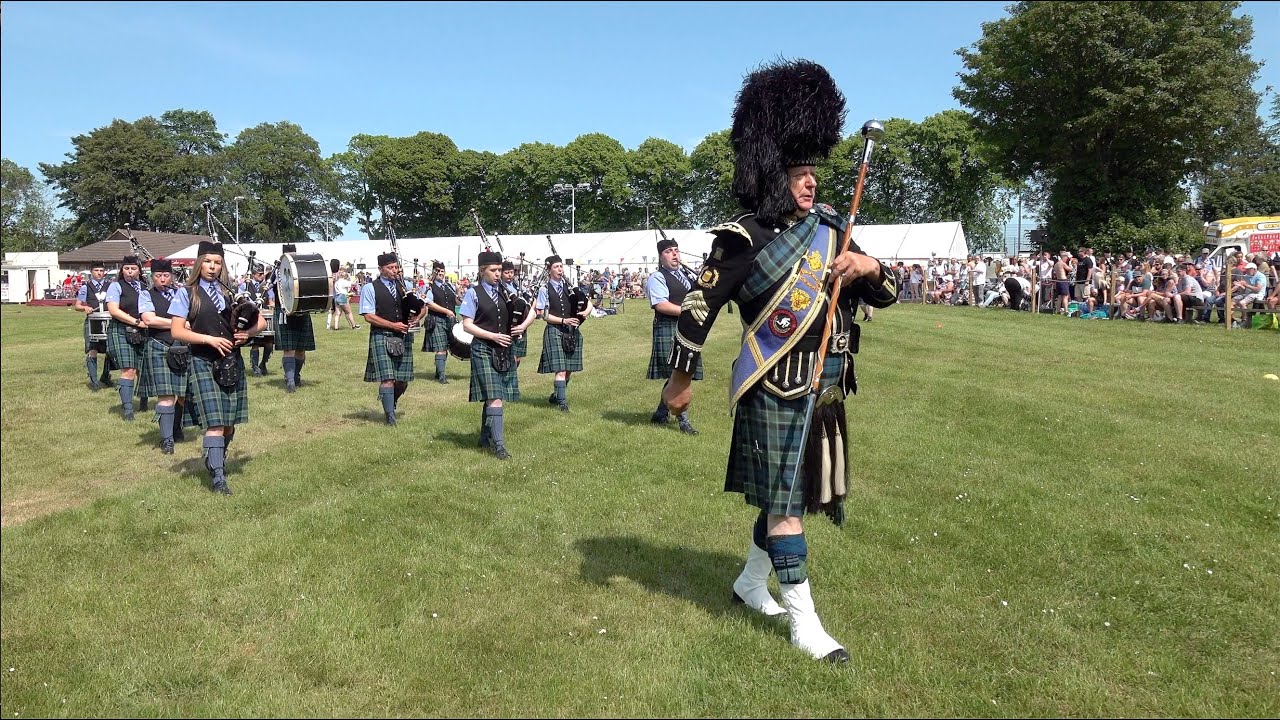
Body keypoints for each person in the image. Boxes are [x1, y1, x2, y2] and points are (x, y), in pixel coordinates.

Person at [663, 59, 898, 663]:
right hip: (774, 385)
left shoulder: (833, 229)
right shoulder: (742, 238)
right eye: (799, 173)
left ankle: (750, 583)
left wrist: (867, 266)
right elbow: (698, 307)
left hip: (826, 388)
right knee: (788, 506)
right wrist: (680, 380)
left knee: (786, 498)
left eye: (813, 171)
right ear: (772, 174)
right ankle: (804, 625)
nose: (810, 182)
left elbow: (887, 293)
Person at [168, 241, 267, 494]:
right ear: (199, 264)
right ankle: (218, 478)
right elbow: (177, 331)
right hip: (202, 360)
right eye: (208, 262)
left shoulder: (233, 293)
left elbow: (262, 322)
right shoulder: (187, 293)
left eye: (217, 263)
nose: (212, 267)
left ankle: (216, 459)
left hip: (232, 361)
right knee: (215, 423)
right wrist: (208, 339)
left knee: (229, 423)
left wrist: (248, 334)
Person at [461, 251, 520, 460]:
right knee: (495, 397)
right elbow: (467, 325)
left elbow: (529, 311)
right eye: (493, 270)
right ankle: (499, 446)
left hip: (503, 349)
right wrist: (492, 336)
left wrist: (521, 326)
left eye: (499, 270)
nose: (497, 274)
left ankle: (485, 438)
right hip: (483, 348)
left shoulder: (507, 292)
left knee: (494, 396)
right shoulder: (473, 293)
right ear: (481, 271)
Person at [645, 236, 701, 435]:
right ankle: (683, 421)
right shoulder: (657, 277)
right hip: (668, 327)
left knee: (680, 373)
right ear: (661, 257)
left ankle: (661, 413)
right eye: (669, 252)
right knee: (678, 374)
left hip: (687, 329)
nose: (674, 254)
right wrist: (690, 312)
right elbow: (661, 304)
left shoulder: (685, 276)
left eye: (676, 250)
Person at [360, 252, 423, 426]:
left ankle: (391, 401)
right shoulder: (370, 288)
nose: (394, 270)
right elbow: (368, 316)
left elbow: (423, 307)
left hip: (403, 336)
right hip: (381, 335)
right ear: (381, 269)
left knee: (402, 380)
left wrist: (417, 317)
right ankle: (390, 417)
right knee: (387, 378)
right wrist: (393, 325)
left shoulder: (405, 286)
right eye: (390, 267)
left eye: (396, 267)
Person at [137, 258, 191, 454]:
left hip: (183, 347)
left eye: (166, 275)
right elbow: (149, 319)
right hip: (159, 346)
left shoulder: (181, 293)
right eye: (158, 276)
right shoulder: (146, 294)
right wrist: (178, 324)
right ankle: (167, 440)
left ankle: (176, 428)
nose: (162, 279)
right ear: (152, 277)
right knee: (166, 396)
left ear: (172, 276)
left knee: (184, 395)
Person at [536, 254, 593, 412]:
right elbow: (543, 315)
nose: (560, 269)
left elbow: (589, 304)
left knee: (568, 369)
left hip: (571, 331)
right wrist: (563, 321)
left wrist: (584, 314)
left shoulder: (571, 289)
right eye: (556, 267)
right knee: (560, 369)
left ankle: (556, 395)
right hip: (554, 330)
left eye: (561, 266)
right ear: (549, 270)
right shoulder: (544, 289)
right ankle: (562, 403)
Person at [105, 255, 151, 421]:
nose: (129, 272)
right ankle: (128, 410)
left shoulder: (145, 287)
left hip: (143, 330)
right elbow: (113, 310)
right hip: (121, 329)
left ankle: (144, 402)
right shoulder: (116, 286)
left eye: (133, 268)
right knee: (129, 369)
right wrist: (136, 322)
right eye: (126, 268)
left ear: (139, 271)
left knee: (143, 369)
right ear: (122, 270)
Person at [273, 243, 316, 393]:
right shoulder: (276, 271)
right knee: (289, 348)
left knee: (301, 350)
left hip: (302, 311)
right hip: (284, 311)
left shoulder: (302, 270)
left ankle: (296, 376)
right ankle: (290, 381)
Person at [74, 260, 115, 390]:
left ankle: (105, 376)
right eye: (96, 270)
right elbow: (77, 305)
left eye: (101, 271)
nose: (99, 273)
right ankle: (94, 381)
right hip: (93, 321)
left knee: (110, 350)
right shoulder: (86, 287)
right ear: (91, 272)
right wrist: (85, 308)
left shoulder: (111, 286)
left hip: (109, 320)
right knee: (92, 349)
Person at [422, 261, 458, 384]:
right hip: (436, 319)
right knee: (441, 348)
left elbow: (457, 301)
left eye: (442, 271)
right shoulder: (429, 286)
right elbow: (429, 303)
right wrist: (446, 311)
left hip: (450, 320)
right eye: (438, 271)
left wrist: (459, 292)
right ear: (433, 272)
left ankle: (438, 373)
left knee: (446, 347)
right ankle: (442, 377)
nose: (440, 273)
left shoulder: (449, 286)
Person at [501, 260, 537, 373]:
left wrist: (528, 308)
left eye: (511, 272)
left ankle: (512, 374)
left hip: (521, 324)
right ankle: (508, 376)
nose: (509, 275)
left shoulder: (518, 287)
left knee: (518, 357)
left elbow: (531, 301)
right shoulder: (501, 288)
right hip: (508, 324)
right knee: (510, 355)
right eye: (506, 272)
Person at [239, 263, 274, 376]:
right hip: (253, 317)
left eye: (263, 273)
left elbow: (271, 299)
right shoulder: (245, 286)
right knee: (256, 343)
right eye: (259, 274)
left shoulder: (266, 285)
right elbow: (240, 299)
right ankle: (255, 368)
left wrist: (271, 307)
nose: (262, 276)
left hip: (265, 316)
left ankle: (263, 364)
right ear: (253, 274)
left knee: (269, 343)